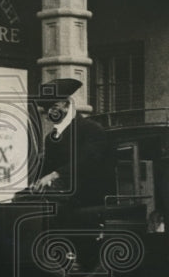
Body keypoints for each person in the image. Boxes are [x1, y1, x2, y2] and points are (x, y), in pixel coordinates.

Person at [29, 77, 111, 209]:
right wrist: (38, 182)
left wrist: (55, 174)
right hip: (61, 196)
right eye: (48, 108)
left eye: (55, 106)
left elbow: (87, 161)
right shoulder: (51, 138)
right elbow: (47, 168)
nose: (51, 112)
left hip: (87, 199)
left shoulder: (90, 129)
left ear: (67, 106)